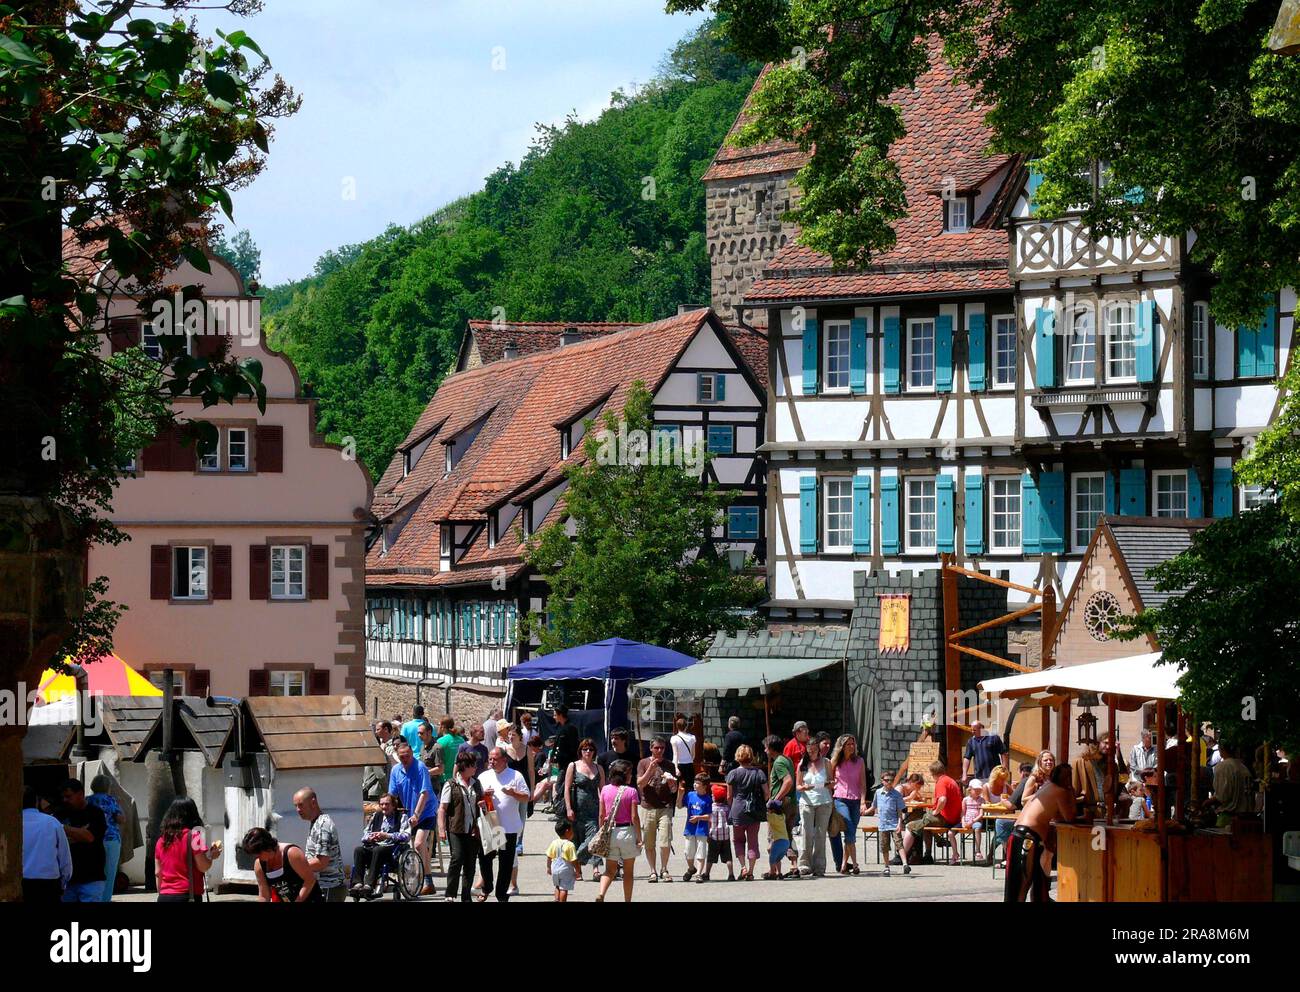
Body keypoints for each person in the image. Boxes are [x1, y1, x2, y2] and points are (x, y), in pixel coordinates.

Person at [1004, 764, 1076, 903]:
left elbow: (1055, 815)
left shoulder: (1047, 787)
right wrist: (1071, 791)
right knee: (1021, 886)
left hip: (1019, 834)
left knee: (1020, 885)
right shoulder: (1060, 791)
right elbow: (1069, 817)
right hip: (1028, 838)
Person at [476, 745, 530, 902]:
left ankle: (501, 894)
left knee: (505, 863)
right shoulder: (484, 776)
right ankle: (487, 887)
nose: (492, 761)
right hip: (491, 824)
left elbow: (526, 797)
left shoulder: (515, 775)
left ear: (504, 760)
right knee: (485, 858)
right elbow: (477, 798)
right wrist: (481, 801)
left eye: (495, 759)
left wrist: (513, 793)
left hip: (508, 826)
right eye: (490, 759)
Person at [388, 739, 438, 895]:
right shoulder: (396, 770)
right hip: (409, 813)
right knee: (417, 847)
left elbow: (424, 793)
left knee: (418, 844)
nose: (405, 759)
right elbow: (392, 794)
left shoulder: (420, 767)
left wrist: (417, 814)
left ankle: (425, 880)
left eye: (408, 756)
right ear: (398, 756)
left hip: (426, 811)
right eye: (402, 756)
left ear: (412, 754)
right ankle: (428, 881)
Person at [155, 797, 222, 902]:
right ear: (193, 814)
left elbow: (158, 872)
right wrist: (212, 856)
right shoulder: (194, 836)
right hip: (187, 896)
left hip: (164, 896)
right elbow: (203, 866)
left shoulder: (161, 840)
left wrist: (162, 893)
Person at [438, 752, 485, 902]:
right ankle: (450, 894)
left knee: (470, 863)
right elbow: (442, 809)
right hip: (456, 828)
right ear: (465, 766)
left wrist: (483, 804)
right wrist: (441, 829)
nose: (476, 768)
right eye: (473, 765)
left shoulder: (476, 783)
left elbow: (483, 804)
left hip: (473, 829)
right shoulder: (451, 784)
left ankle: (466, 897)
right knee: (457, 858)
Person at [596, 759, 643, 902]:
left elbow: (601, 815)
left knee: (610, 870)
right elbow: (635, 817)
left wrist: (601, 832)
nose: (632, 776)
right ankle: (627, 900)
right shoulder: (631, 791)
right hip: (627, 831)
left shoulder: (605, 789)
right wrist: (639, 837)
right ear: (624, 775)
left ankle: (602, 894)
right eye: (630, 773)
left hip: (611, 832)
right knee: (628, 872)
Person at [350, 792, 409, 899]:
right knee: (359, 850)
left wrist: (387, 835)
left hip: (391, 850)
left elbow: (406, 835)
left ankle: (369, 885)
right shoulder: (376, 816)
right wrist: (370, 837)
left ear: (393, 805)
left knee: (378, 850)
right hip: (375, 847)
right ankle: (357, 883)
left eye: (387, 804)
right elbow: (365, 834)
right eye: (381, 804)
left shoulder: (401, 817)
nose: (384, 807)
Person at [56, 778, 106, 902]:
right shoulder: (61, 814)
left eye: (69, 796)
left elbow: (89, 837)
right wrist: (77, 833)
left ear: (80, 794)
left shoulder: (95, 813)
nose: (65, 800)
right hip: (68, 880)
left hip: (92, 878)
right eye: (63, 797)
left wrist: (62, 828)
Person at [636, 735, 678, 882]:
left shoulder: (669, 765)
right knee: (649, 842)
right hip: (648, 807)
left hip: (665, 807)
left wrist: (673, 785)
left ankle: (664, 869)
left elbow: (674, 790)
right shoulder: (643, 763)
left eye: (662, 748)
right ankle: (652, 870)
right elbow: (640, 784)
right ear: (651, 748)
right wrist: (650, 769)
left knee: (665, 841)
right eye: (656, 748)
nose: (659, 750)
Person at [293, 787, 346, 902]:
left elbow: (321, 862)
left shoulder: (323, 826)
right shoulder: (316, 823)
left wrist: (294, 866)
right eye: (295, 806)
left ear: (313, 803)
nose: (298, 809)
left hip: (329, 889)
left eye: (301, 805)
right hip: (323, 887)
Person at [903, 761, 962, 866]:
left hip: (946, 819)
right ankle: (928, 854)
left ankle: (902, 856)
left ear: (933, 773)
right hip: (955, 818)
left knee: (910, 826)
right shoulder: (950, 780)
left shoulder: (941, 782)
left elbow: (942, 800)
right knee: (926, 827)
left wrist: (936, 811)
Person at [724, 744, 769, 881]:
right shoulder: (759, 773)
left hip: (738, 809)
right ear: (751, 756)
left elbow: (729, 796)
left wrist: (732, 807)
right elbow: (767, 793)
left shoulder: (733, 774)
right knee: (753, 841)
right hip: (754, 811)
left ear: (738, 757)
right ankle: (750, 871)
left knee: (738, 840)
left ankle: (743, 867)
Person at [500, 719, 535, 896]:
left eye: (513, 735)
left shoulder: (527, 750)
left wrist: (533, 790)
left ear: (520, 737)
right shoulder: (505, 750)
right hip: (508, 790)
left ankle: (518, 841)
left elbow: (530, 771)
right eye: (509, 735)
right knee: (509, 816)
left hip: (523, 789)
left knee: (521, 818)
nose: (511, 737)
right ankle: (515, 843)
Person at [564, 737, 606, 882]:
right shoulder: (573, 766)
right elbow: (566, 788)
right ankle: (578, 871)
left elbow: (603, 791)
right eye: (585, 749)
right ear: (580, 751)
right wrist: (568, 808)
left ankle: (595, 869)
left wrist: (605, 811)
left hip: (594, 810)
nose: (588, 751)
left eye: (590, 749)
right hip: (577, 809)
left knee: (594, 838)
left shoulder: (598, 768)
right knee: (576, 838)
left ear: (594, 752)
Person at [243, 827, 321, 902]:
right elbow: (264, 895)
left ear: (267, 848)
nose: (257, 858)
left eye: (259, 854)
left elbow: (310, 880)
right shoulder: (259, 864)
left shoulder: (292, 853)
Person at [22, 786, 71, 903]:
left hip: (22, 883)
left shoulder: (9, 825)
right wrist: (63, 884)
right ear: (37, 801)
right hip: (49, 884)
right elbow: (64, 857)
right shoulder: (52, 822)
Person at [828, 734, 869, 875]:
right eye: (848, 744)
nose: (851, 747)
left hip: (855, 800)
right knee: (849, 827)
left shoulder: (859, 761)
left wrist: (863, 802)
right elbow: (829, 780)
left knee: (850, 833)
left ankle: (844, 864)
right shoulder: (835, 761)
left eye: (853, 744)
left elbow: (863, 783)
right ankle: (856, 864)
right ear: (842, 746)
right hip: (840, 799)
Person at [796, 737, 833, 877]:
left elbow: (832, 781)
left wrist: (828, 783)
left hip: (824, 801)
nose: (812, 754)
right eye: (809, 751)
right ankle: (804, 864)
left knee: (820, 834)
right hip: (806, 802)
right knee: (807, 833)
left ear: (819, 750)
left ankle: (819, 866)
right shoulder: (802, 764)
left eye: (814, 751)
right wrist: (804, 787)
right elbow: (798, 786)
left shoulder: (826, 762)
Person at [87, 775, 125, 901]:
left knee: (93, 871)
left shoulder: (88, 800)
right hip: (111, 839)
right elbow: (121, 819)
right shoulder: (111, 800)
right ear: (108, 787)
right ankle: (105, 899)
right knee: (109, 873)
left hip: (92, 840)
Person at [763, 734, 796, 880]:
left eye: (766, 748)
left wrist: (775, 799)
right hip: (791, 803)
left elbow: (787, 781)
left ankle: (774, 871)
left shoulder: (778, 762)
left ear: (771, 748)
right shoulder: (787, 759)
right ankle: (794, 866)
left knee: (774, 837)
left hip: (781, 806)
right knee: (787, 836)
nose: (764, 751)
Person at [866, 770, 905, 876]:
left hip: (894, 823)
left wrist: (899, 823)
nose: (889, 782)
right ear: (882, 781)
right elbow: (874, 806)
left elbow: (900, 811)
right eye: (887, 780)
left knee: (899, 843)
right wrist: (865, 812)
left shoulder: (896, 794)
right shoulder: (878, 793)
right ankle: (886, 866)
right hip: (883, 824)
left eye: (891, 780)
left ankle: (905, 864)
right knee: (884, 846)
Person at [1211, 741, 1256, 827]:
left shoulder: (1222, 767)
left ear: (1221, 749)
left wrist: (1206, 802)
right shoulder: (1244, 767)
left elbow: (1222, 797)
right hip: (1246, 818)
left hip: (1227, 818)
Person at [682, 773, 712, 882]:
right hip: (690, 828)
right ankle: (691, 868)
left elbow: (709, 816)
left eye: (698, 783)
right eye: (695, 782)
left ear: (704, 786)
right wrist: (680, 794)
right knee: (688, 852)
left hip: (702, 829)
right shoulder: (690, 795)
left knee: (701, 852)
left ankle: (699, 874)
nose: (695, 785)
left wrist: (698, 818)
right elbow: (680, 805)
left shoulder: (708, 799)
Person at [705, 781, 735, 881]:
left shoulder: (711, 809)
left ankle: (707, 873)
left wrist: (707, 834)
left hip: (713, 836)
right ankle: (731, 874)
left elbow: (709, 822)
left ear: (714, 797)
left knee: (710, 856)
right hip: (725, 836)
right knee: (728, 857)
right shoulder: (727, 808)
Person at [547, 820, 579, 902]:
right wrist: (578, 871)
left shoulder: (554, 842)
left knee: (557, 886)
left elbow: (549, 856)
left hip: (555, 868)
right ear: (567, 831)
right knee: (564, 888)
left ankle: (556, 899)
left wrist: (548, 868)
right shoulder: (570, 845)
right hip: (565, 869)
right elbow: (574, 860)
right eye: (572, 830)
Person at [670, 715, 698, 806]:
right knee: (690, 785)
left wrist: (675, 767)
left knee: (675, 784)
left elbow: (675, 755)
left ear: (677, 726)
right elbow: (693, 754)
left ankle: (674, 802)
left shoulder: (674, 738)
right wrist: (690, 759)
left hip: (679, 764)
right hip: (689, 763)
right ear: (686, 726)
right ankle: (688, 802)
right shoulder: (692, 738)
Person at [960, 780, 986, 863]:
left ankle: (977, 850)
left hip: (976, 820)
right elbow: (963, 812)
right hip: (967, 820)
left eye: (979, 790)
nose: (978, 792)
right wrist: (963, 821)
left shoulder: (982, 800)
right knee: (955, 830)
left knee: (977, 828)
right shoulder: (965, 800)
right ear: (970, 789)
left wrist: (973, 821)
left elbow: (981, 814)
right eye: (976, 790)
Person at [436, 716, 466, 786]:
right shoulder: (461, 740)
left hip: (445, 778)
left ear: (442, 727)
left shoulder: (440, 741)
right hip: (459, 776)